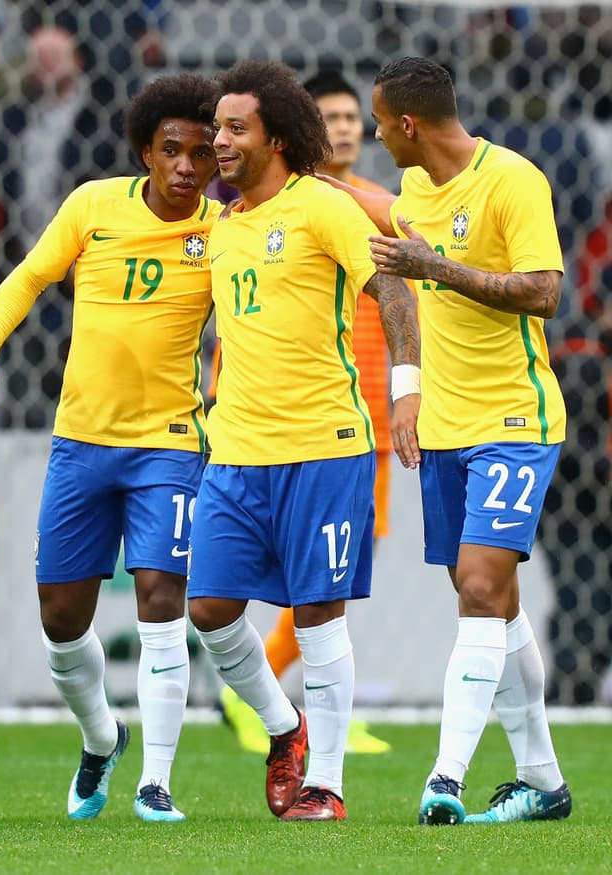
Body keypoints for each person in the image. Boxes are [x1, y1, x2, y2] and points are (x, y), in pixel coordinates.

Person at [0, 72, 223, 822]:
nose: (185, 166)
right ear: (146, 150)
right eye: (171, 149)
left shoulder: (222, 232)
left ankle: (157, 780)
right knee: (61, 617)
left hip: (170, 445)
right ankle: (102, 736)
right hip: (81, 441)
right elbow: (29, 276)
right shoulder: (91, 206)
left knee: (161, 598)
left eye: (201, 154)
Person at [189, 60, 421, 822]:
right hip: (236, 451)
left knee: (319, 613)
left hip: (324, 445)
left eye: (233, 128)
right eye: (216, 126)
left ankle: (325, 781)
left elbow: (390, 283)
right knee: (212, 610)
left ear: (278, 138)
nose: (217, 140)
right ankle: (284, 728)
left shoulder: (323, 206)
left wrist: (408, 387)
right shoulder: (220, 225)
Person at [363, 56, 570, 825]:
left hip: (515, 420)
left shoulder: (513, 180)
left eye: (382, 122)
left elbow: (544, 291)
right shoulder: (413, 192)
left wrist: (436, 267)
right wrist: (408, 391)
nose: (380, 135)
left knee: (481, 587)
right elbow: (392, 260)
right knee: (491, 599)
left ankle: (444, 779)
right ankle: (542, 780)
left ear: (409, 123)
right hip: (445, 424)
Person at [218, 69, 394, 757]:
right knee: (315, 574)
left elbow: (417, 253)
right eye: (333, 117)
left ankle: (310, 706)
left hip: (367, 414)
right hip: (292, 420)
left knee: (338, 568)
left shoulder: (366, 204)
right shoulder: (268, 211)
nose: (345, 127)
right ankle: (265, 683)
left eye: (354, 116)